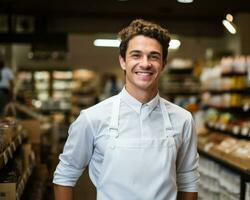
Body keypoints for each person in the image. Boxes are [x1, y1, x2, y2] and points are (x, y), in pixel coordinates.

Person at [53, 19, 199, 200]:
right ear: (123, 61)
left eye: (153, 56)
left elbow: (188, 179)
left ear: (163, 63)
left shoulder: (182, 119)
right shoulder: (92, 118)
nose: (145, 64)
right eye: (136, 55)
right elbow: (65, 176)